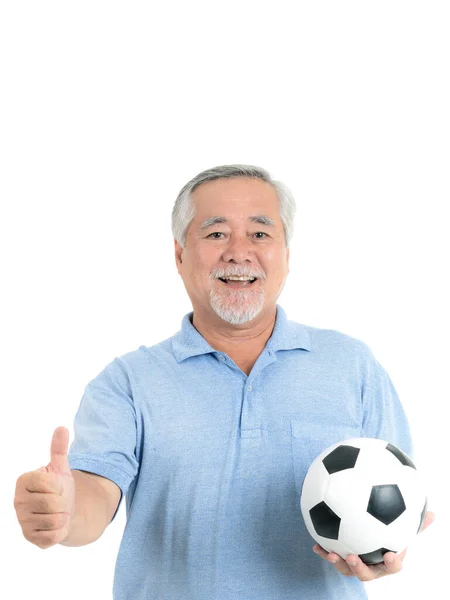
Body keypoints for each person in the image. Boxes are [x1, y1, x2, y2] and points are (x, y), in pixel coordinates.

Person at [14, 164, 434, 599]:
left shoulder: (352, 366)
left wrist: (382, 555)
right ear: (179, 254)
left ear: (286, 254)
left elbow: (399, 500)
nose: (238, 252)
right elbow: (95, 495)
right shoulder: (127, 382)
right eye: (216, 234)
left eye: (260, 233)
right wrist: (63, 510)